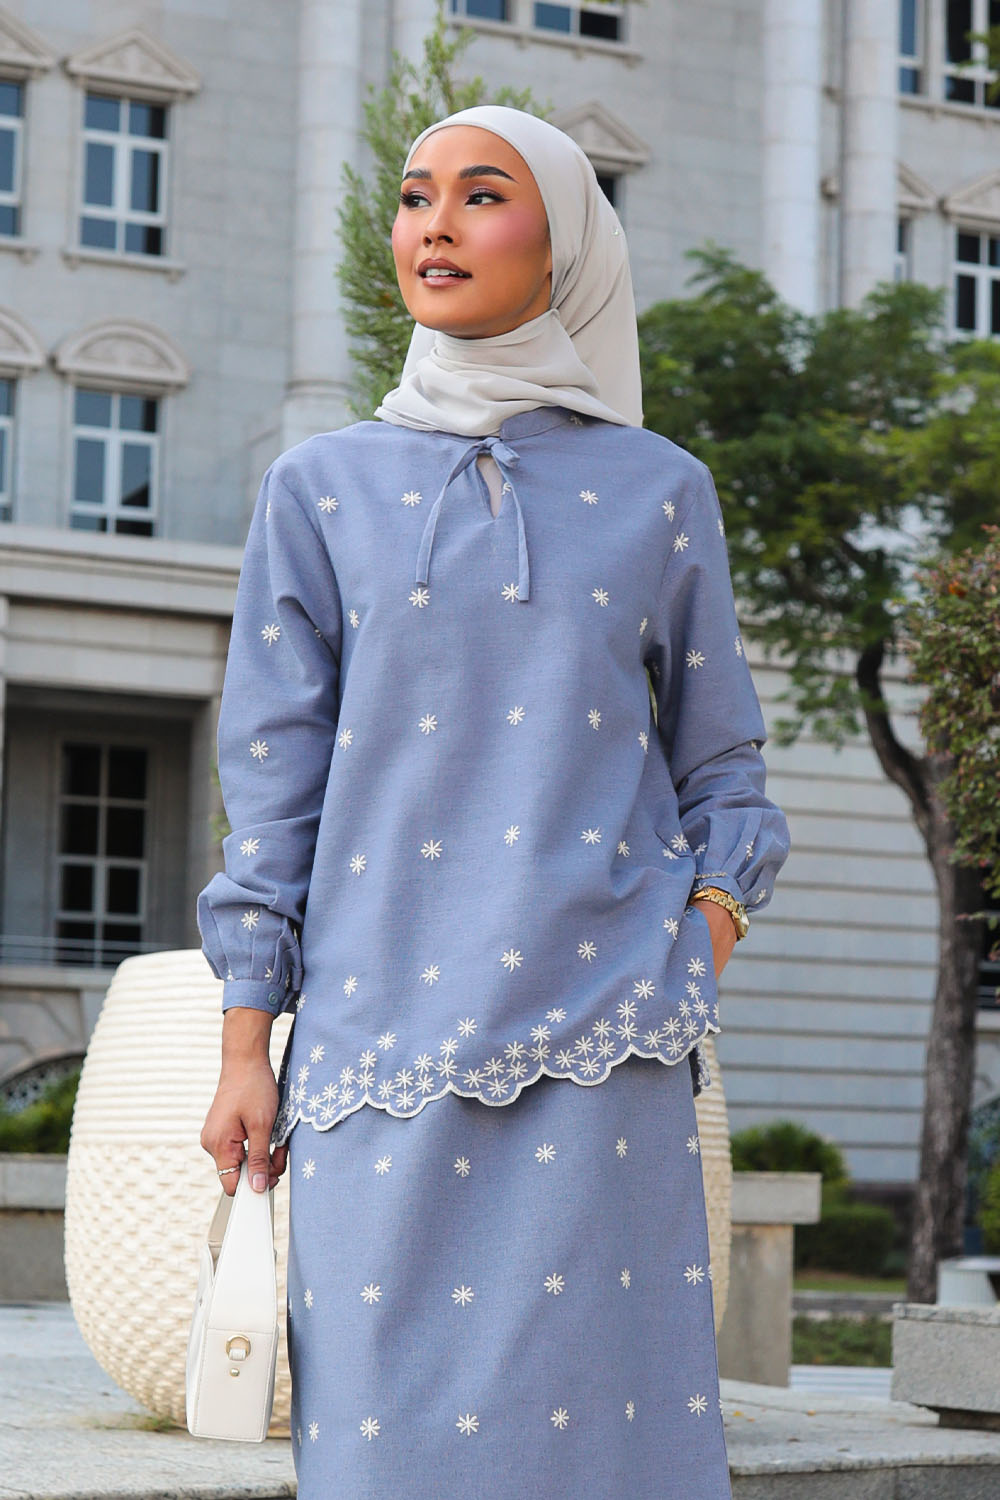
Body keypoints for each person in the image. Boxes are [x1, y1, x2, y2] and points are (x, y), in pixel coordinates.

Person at [198, 104, 790, 1499]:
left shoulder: (659, 490)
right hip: (375, 1053)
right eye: (417, 196)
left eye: (481, 194)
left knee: (606, 1449)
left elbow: (724, 769)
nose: (435, 225)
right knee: (384, 1451)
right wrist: (245, 1045)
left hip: (603, 1051)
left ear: (566, 242)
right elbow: (273, 793)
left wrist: (690, 946)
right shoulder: (318, 489)